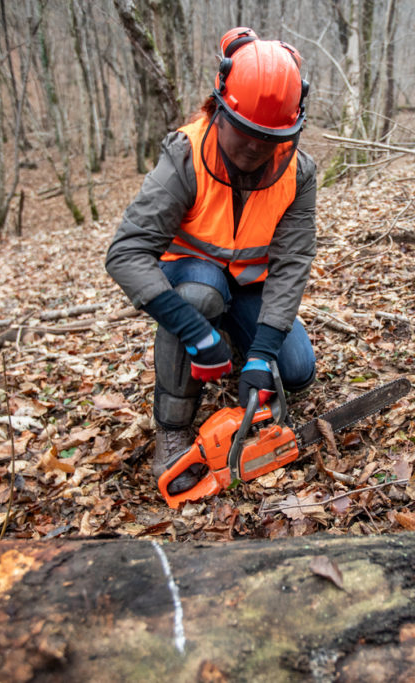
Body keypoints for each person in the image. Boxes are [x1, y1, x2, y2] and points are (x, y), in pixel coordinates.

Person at [106, 27, 317, 494]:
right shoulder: (186, 156)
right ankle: (173, 428)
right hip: (191, 272)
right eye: (244, 133)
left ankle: (239, 347)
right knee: (200, 298)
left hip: (249, 283)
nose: (254, 149)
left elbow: (292, 261)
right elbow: (125, 253)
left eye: (269, 138)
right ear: (218, 108)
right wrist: (193, 329)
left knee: (298, 370)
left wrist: (262, 352)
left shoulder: (298, 172)